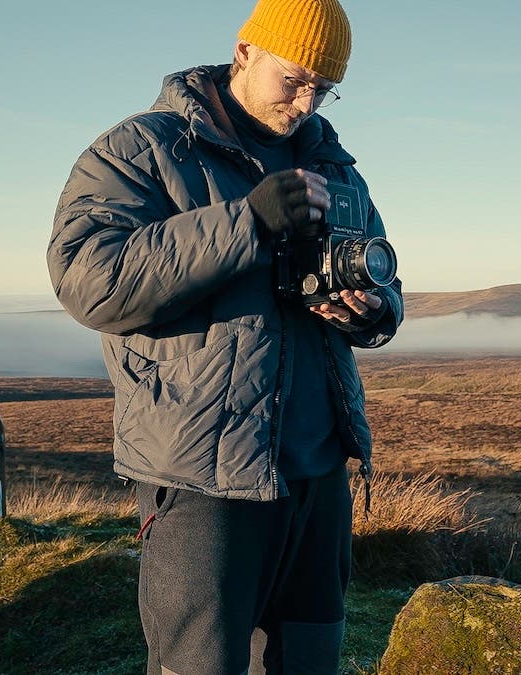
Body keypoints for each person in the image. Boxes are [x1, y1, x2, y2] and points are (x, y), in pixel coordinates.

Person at [46, 0, 401, 672]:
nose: (305, 102)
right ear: (245, 53)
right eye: (293, 79)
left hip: (318, 476)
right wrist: (250, 221)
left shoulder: (333, 165)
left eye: (322, 89)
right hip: (202, 479)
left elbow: (384, 277)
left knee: (309, 660)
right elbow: (88, 279)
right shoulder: (141, 149)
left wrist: (371, 312)